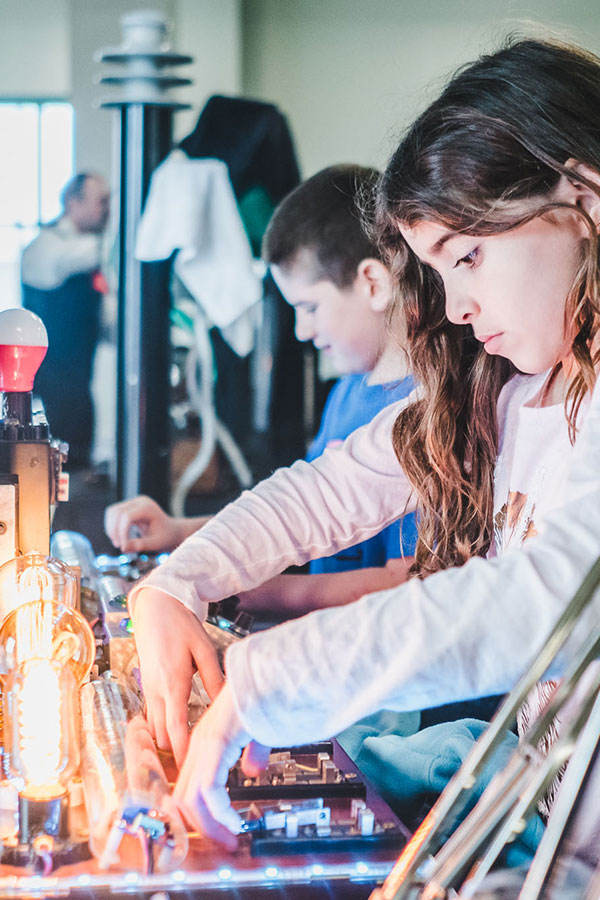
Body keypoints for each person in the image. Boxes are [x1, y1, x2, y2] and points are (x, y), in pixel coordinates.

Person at [129, 36, 600, 846]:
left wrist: (263, 683)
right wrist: (178, 581)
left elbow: (551, 598)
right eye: (440, 272)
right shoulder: (516, 385)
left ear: (584, 194)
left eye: (469, 257)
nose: (456, 307)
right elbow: (331, 488)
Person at [106, 165, 419, 616]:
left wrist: (236, 592)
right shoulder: (349, 391)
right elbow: (297, 521)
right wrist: (182, 535)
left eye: (309, 307)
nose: (301, 330)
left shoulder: (424, 411)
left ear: (373, 282)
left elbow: (401, 580)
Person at [21, 172, 110, 467]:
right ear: (74, 202)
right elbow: (87, 256)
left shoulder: (82, 245)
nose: (105, 209)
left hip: (80, 369)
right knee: (65, 455)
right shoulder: (46, 246)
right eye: (102, 201)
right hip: (55, 370)